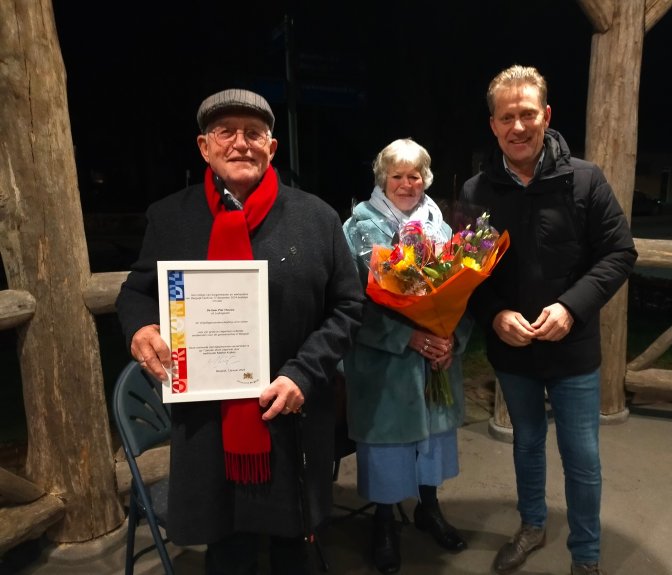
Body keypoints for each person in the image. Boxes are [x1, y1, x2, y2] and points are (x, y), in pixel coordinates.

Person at [115, 88, 364, 575]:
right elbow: (136, 291)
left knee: (294, 547)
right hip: (207, 424)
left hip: (290, 410)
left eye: (253, 133)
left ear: (272, 149)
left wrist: (303, 374)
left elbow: (349, 306)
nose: (240, 143)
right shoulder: (170, 217)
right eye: (225, 132)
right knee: (227, 549)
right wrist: (141, 327)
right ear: (204, 147)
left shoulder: (317, 217)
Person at [459, 65, 638, 575]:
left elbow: (620, 253)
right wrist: (494, 315)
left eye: (527, 114)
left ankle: (586, 557)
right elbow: (467, 274)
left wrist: (572, 306)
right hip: (512, 349)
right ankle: (532, 526)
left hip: (573, 348)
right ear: (493, 124)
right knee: (527, 444)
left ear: (547, 116)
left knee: (581, 457)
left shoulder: (585, 179)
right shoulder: (477, 192)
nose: (518, 126)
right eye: (507, 117)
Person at [342, 138, 473, 574]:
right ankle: (383, 521)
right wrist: (407, 338)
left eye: (414, 175)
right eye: (396, 175)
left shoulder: (442, 229)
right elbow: (347, 305)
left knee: (431, 444)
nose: (406, 183)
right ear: (382, 179)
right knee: (386, 448)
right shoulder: (357, 230)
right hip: (384, 364)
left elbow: (463, 294)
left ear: (425, 179)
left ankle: (428, 508)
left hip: (434, 358)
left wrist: (450, 336)